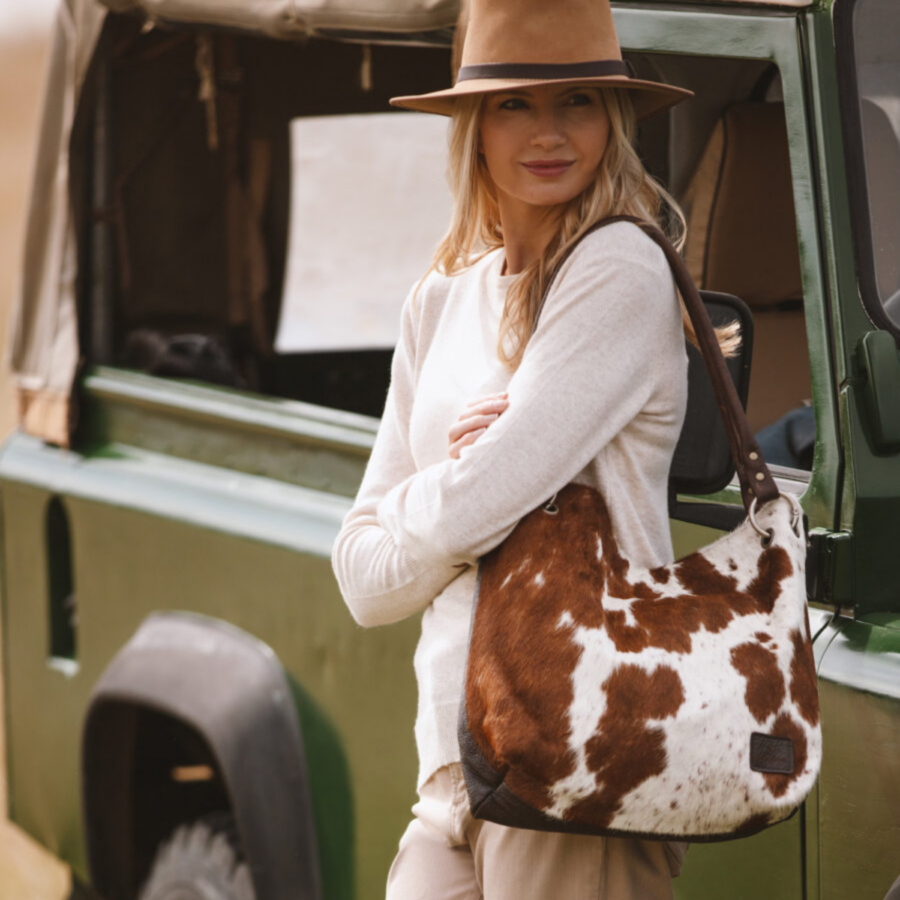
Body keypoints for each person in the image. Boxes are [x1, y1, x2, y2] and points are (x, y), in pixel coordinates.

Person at [332, 0, 737, 896]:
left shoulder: (619, 265)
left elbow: (490, 495)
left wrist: (455, 495)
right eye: (516, 105)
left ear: (613, 120)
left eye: (579, 102)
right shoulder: (437, 300)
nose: (549, 132)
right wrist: (452, 478)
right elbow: (362, 582)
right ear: (473, 129)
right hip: (450, 767)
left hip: (575, 759)